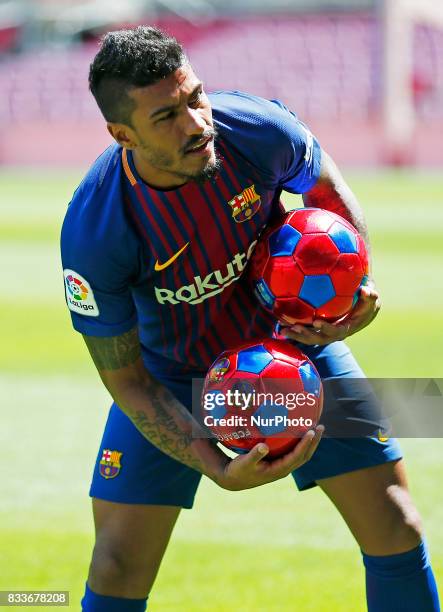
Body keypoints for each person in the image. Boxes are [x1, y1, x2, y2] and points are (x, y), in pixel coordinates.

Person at [60, 26, 440, 612]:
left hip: (291, 351)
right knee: (115, 566)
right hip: (171, 378)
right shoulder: (97, 229)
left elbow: (330, 199)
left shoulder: (258, 130)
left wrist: (350, 293)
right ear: (121, 134)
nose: (196, 123)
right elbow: (126, 379)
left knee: (397, 525)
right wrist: (210, 462)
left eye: (195, 96)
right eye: (167, 116)